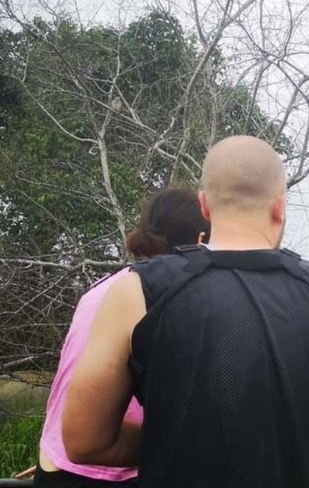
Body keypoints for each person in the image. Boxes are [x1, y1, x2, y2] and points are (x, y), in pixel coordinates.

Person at [62, 136, 309, 487]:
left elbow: (85, 441)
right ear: (280, 207)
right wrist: (275, 447)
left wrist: (177, 442)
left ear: (204, 206)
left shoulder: (137, 291)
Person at [35, 188, 210, 488]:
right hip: (114, 469)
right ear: (201, 240)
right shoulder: (174, 298)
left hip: (55, 463)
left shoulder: (105, 286)